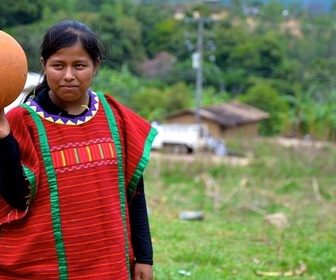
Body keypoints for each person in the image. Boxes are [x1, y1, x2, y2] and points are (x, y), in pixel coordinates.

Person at [0, 19, 157, 280]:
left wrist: (145, 257)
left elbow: (135, 194)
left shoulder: (117, 118)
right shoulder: (20, 121)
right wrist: (4, 138)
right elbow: (16, 198)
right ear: (43, 65)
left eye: (80, 65)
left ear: (95, 66)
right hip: (44, 268)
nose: (69, 75)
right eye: (58, 65)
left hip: (110, 265)